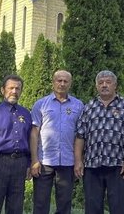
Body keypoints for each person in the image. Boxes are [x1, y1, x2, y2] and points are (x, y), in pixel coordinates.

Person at [74, 70, 124, 214]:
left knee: (118, 208)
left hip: (117, 166)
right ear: (97, 86)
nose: (104, 85)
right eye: (101, 83)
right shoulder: (88, 107)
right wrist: (78, 161)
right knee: (92, 208)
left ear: (115, 85)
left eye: (108, 82)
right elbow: (80, 136)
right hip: (92, 166)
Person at [30, 70, 84, 214]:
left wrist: (78, 161)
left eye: (65, 81)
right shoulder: (41, 104)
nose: (62, 83)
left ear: (70, 84)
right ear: (53, 83)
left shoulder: (78, 106)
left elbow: (80, 135)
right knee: (40, 204)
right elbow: (34, 133)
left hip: (67, 161)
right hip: (44, 161)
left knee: (64, 204)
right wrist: (34, 160)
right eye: (59, 80)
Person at [0, 74, 33, 214]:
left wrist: (29, 164)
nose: (14, 91)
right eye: (11, 88)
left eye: (18, 88)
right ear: (2, 90)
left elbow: (30, 140)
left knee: (16, 208)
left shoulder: (26, 114)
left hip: (20, 165)